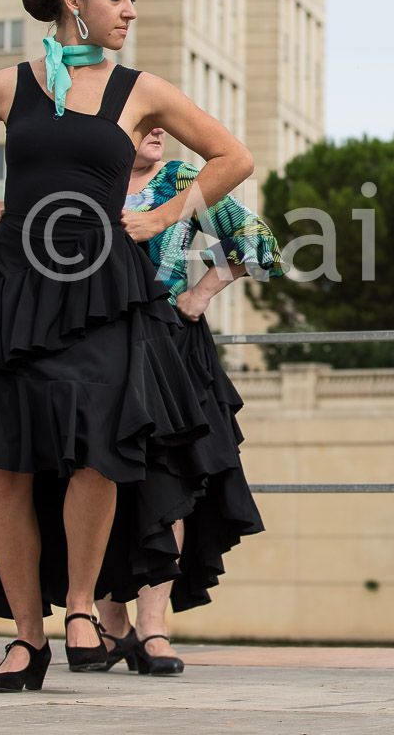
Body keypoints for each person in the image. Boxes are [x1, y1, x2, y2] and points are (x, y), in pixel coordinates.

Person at [0, 0, 255, 693]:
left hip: (105, 289)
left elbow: (232, 157)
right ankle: (25, 640)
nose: (130, 11)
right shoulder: (8, 87)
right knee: (3, 466)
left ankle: (80, 605)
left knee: (101, 449)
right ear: (75, 1)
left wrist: (161, 219)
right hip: (10, 287)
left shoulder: (142, 90)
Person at [93, 126, 282, 675]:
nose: (158, 128)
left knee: (167, 480)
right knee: (94, 476)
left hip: (167, 347)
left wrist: (200, 292)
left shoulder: (182, 179)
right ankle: (109, 626)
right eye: (144, 120)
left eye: (161, 120)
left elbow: (259, 241)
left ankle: (153, 628)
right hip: (93, 348)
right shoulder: (87, 181)